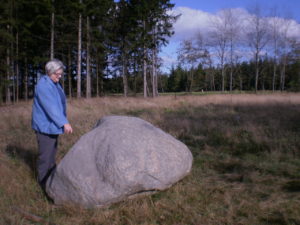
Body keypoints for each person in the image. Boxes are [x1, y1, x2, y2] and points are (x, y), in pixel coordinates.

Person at [32, 59, 73, 190]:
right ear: (49, 72)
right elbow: (51, 108)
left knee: (51, 155)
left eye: (61, 74)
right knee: (45, 157)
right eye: (57, 74)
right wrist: (64, 123)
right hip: (45, 128)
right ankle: (43, 185)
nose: (59, 76)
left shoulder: (54, 83)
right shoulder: (43, 86)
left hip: (52, 127)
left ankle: (52, 181)